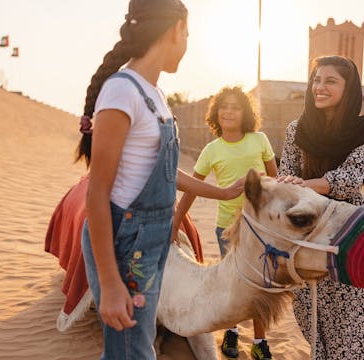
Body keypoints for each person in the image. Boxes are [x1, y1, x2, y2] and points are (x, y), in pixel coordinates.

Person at [75, 1, 244, 359]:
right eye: (188, 34)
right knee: (130, 350)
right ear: (176, 29)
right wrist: (109, 282)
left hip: (152, 243)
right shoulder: (122, 92)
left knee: (136, 343)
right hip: (124, 244)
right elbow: (97, 193)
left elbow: (165, 172)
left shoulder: (156, 95)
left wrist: (223, 191)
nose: (187, 44)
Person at [277, 55, 364, 359]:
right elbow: (285, 172)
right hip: (306, 226)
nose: (319, 87)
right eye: (316, 79)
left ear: (349, 88)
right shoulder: (296, 130)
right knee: (312, 309)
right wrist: (289, 183)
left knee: (362, 308)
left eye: (330, 81)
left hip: (349, 225)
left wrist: (305, 185)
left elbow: (352, 178)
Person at [172, 86, 277, 360]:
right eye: (224, 107)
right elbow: (192, 187)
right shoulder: (211, 150)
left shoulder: (260, 140)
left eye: (236, 107)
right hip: (227, 228)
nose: (229, 111)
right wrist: (176, 220)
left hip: (261, 226)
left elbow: (275, 180)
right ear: (216, 114)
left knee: (260, 282)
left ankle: (259, 341)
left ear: (246, 113)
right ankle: (231, 332)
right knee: (235, 282)